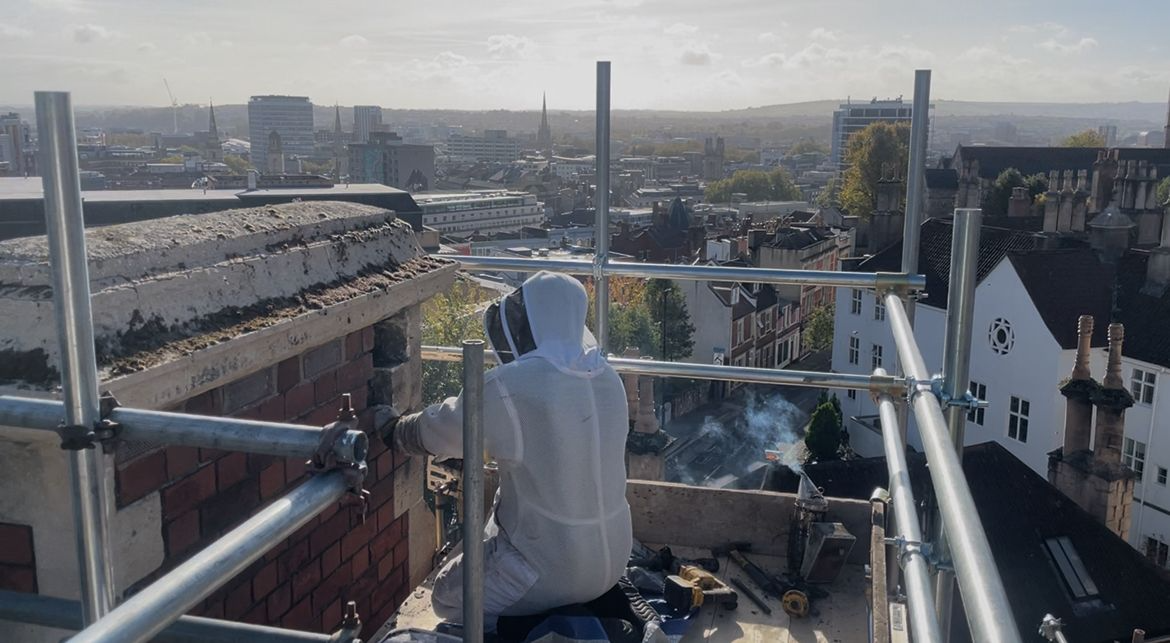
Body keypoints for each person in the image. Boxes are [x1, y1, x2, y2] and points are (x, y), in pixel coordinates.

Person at [379, 271, 633, 627]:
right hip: (615, 560)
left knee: (446, 597)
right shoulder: (608, 376)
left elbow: (445, 430)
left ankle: (523, 628)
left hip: (551, 568)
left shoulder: (513, 385)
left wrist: (395, 430)